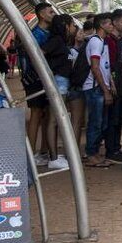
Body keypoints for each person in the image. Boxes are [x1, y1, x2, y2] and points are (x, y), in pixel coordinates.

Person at [41, 14, 76, 170]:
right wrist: (48, 73)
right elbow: (40, 53)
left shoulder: (61, 41)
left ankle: (53, 155)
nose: (74, 28)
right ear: (65, 25)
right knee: (54, 120)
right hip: (58, 82)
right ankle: (53, 158)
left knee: (55, 120)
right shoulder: (56, 40)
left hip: (61, 81)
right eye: (72, 25)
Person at [83, 13, 115, 167]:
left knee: (101, 122)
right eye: (109, 23)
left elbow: (104, 67)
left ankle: (94, 152)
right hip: (95, 88)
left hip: (100, 87)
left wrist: (111, 85)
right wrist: (106, 90)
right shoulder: (96, 43)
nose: (111, 26)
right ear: (102, 25)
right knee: (96, 122)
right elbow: (95, 67)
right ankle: (91, 154)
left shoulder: (102, 42)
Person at [24, 2, 54, 166]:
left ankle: (42, 151)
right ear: (41, 14)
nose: (52, 15)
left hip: (43, 79)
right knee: (36, 114)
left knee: (45, 114)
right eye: (50, 12)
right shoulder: (37, 34)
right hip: (35, 79)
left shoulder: (46, 33)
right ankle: (31, 153)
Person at [103, 9, 122, 163]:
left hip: (119, 83)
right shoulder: (110, 41)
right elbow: (110, 65)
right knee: (114, 118)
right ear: (114, 22)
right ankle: (112, 149)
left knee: (118, 118)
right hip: (114, 84)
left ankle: (115, 147)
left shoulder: (119, 39)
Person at [66, 25, 86, 151]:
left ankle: (75, 150)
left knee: (78, 121)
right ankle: (74, 151)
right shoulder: (72, 51)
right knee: (76, 121)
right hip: (75, 88)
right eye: (80, 32)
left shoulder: (80, 50)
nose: (82, 34)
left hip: (77, 87)